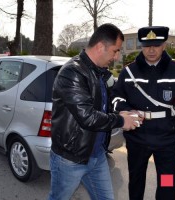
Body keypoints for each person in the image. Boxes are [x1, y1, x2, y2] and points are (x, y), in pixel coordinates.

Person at [48, 23, 140, 200]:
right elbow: (87, 117)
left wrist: (125, 113)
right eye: (115, 50)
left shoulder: (99, 72)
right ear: (100, 47)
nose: (117, 56)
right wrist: (121, 121)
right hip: (71, 159)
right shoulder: (72, 73)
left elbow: (105, 103)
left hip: (97, 155)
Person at [111, 26, 175, 200]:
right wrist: (127, 111)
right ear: (141, 46)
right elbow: (115, 98)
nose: (151, 50)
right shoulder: (129, 72)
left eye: (156, 45)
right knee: (136, 180)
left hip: (167, 138)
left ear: (164, 45)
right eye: (146, 45)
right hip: (137, 137)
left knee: (167, 182)